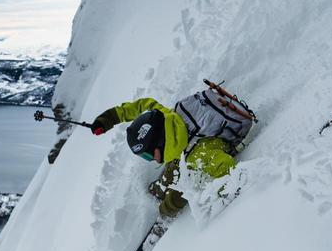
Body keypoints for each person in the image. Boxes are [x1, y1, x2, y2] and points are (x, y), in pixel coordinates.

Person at [89, 92, 247, 218]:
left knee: (170, 204)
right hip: (185, 146)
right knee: (170, 172)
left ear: (159, 141)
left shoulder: (198, 155)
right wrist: (108, 119)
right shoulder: (165, 117)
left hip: (203, 147)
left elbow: (227, 169)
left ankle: (164, 216)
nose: (153, 160)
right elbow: (140, 105)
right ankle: (159, 190)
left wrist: (178, 198)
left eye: (149, 155)